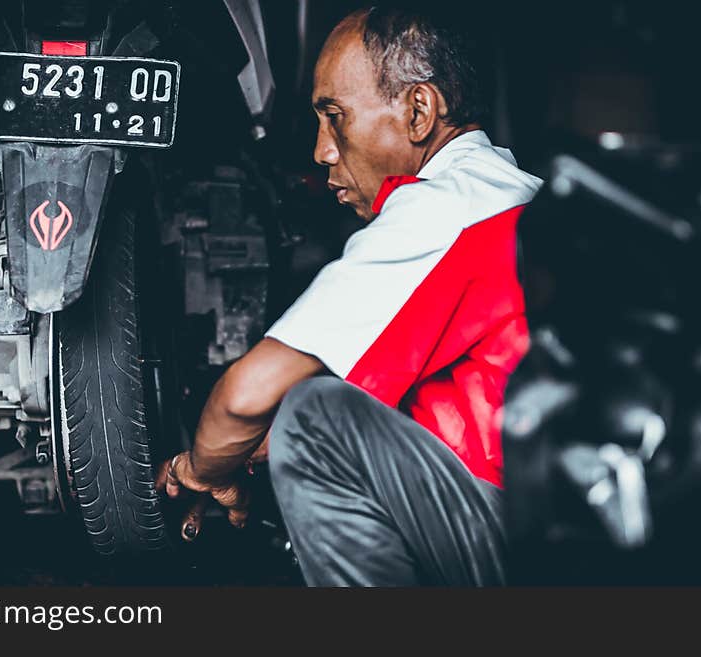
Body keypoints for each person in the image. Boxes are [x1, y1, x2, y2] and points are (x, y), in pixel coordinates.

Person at [155, 5, 542, 586]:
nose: (322, 151)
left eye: (335, 117)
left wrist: (201, 467)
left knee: (315, 424)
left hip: (520, 533)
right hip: (540, 516)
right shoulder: (511, 193)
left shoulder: (445, 207)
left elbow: (245, 394)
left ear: (418, 111)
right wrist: (249, 451)